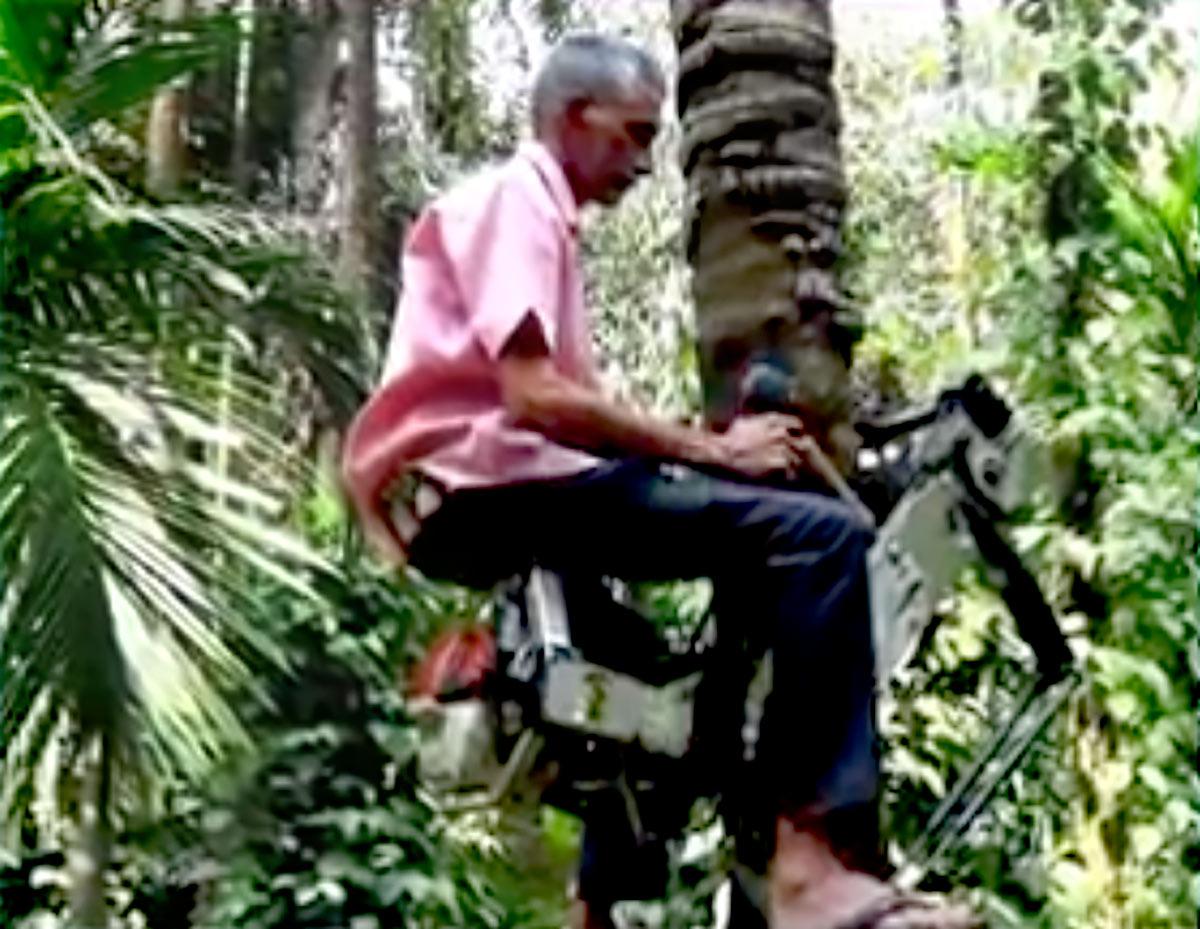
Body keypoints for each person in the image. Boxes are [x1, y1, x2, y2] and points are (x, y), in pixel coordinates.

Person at [343, 32, 980, 929]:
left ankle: (596, 906)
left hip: (481, 499)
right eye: (634, 135)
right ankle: (810, 868)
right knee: (823, 537)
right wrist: (715, 451)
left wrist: (699, 450)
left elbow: (503, 404)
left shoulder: (530, 225)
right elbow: (535, 399)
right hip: (502, 490)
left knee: (656, 683)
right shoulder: (514, 204)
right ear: (573, 119)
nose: (646, 162)